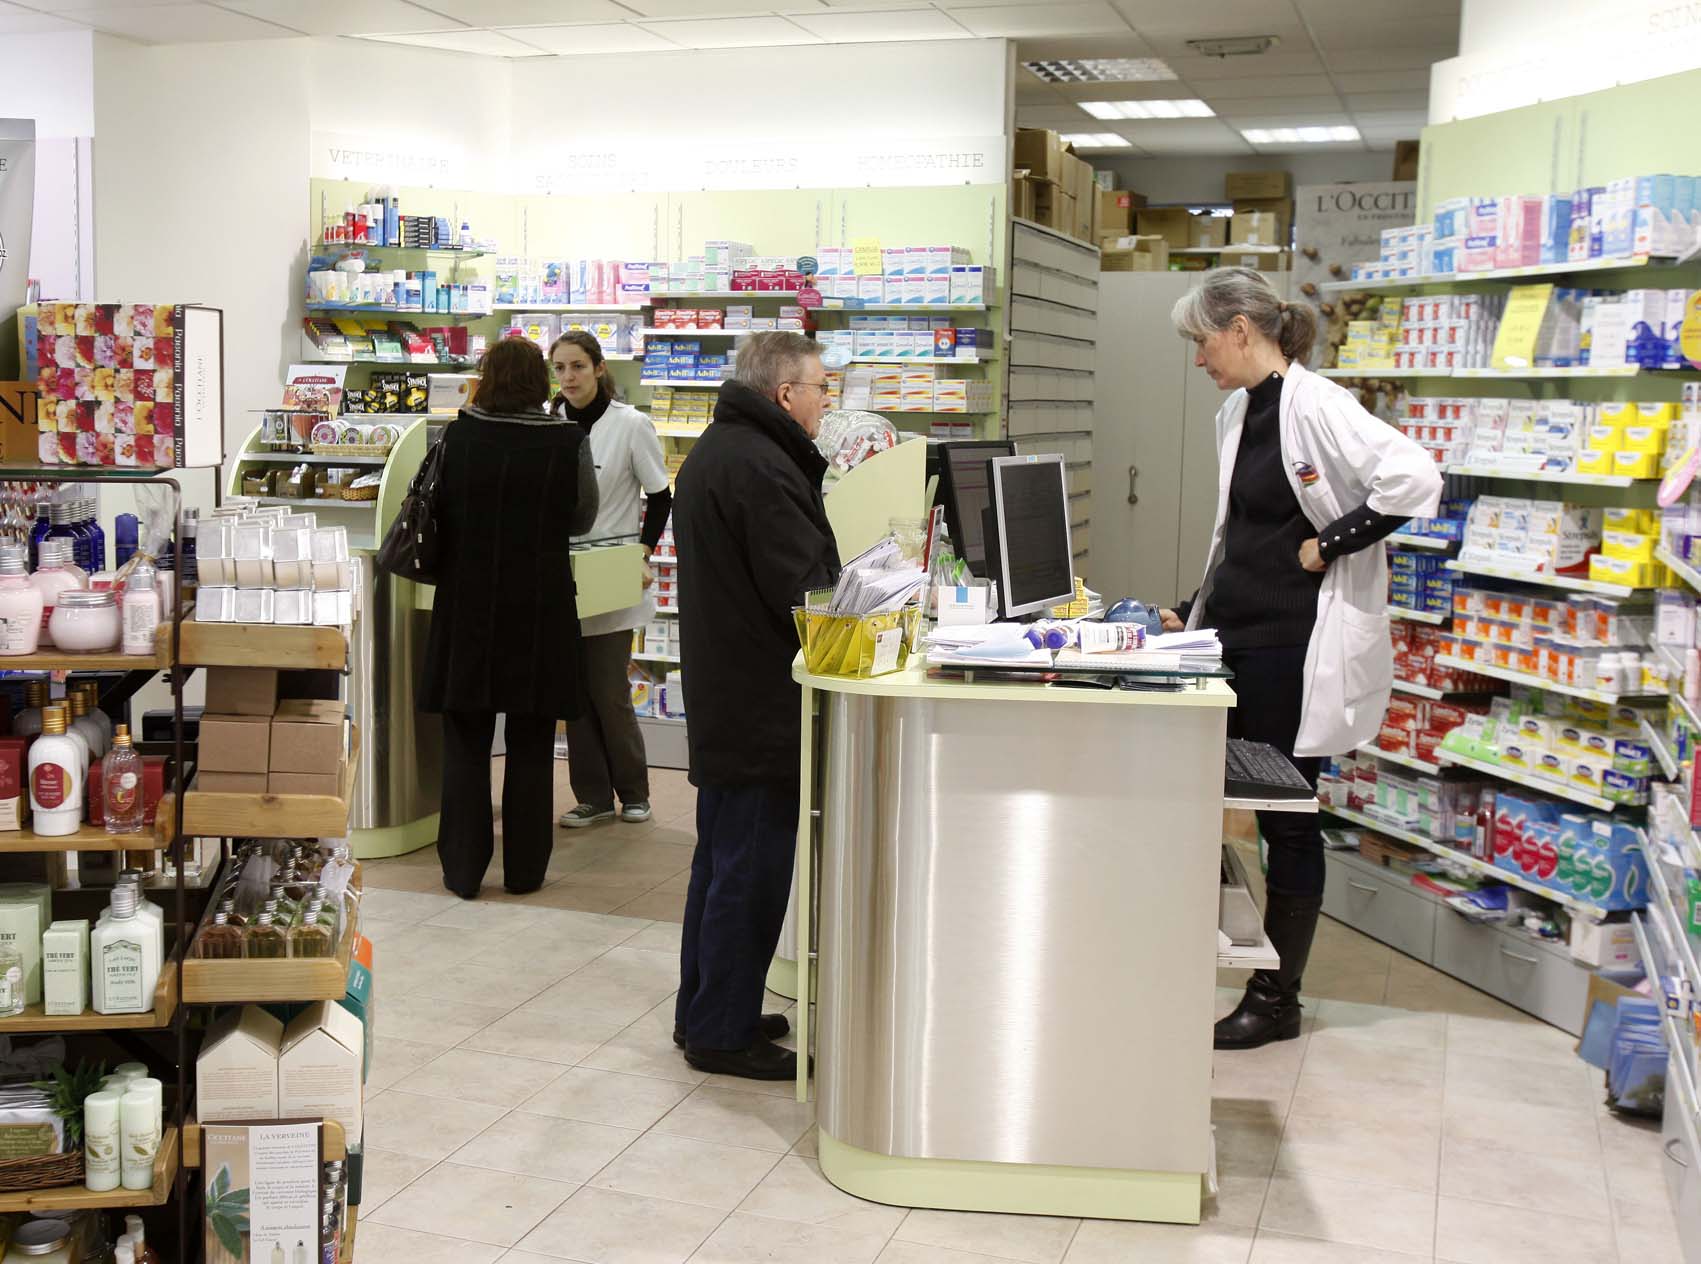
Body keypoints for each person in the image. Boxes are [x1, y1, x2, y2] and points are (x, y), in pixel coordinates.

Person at [1164, 267, 1442, 1050]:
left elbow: (1413, 476)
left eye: (1202, 342)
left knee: (1287, 821)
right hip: (1235, 637)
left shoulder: (1315, 403)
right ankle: (1226, 969)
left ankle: (1275, 1000)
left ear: (1240, 330)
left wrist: (1332, 542)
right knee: (1218, 805)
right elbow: (1244, 532)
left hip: (1290, 647)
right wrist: (1195, 604)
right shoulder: (1237, 409)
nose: (1198, 359)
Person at [672, 331, 840, 1079]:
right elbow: (802, 587)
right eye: (821, 388)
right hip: (760, 701)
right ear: (785, 393)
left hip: (728, 693)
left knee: (719, 862)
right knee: (749, 871)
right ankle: (722, 1033)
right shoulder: (763, 465)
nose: (825, 401)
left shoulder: (724, 448)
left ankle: (707, 1008)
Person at [419, 336, 599, 900]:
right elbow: (583, 516)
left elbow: (434, 508)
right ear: (539, 383)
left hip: (467, 603)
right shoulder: (567, 440)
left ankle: (463, 869)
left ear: (488, 379)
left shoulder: (458, 436)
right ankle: (525, 870)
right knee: (532, 742)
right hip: (540, 605)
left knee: (465, 741)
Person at [550, 331, 672, 829]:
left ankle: (634, 791)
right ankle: (593, 797)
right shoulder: (548, 422)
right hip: (561, 575)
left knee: (608, 691)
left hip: (612, 573)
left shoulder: (630, 424)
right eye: (560, 368)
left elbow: (660, 497)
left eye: (578, 366)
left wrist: (643, 552)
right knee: (574, 696)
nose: (569, 377)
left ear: (599, 369)